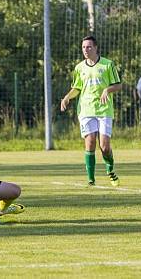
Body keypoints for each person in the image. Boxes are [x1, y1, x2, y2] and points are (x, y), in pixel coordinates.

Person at [60, 36, 122, 186]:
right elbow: (77, 88)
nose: (85, 50)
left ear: (95, 48)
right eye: (83, 47)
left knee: (105, 146)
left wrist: (107, 90)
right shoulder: (79, 68)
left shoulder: (108, 65)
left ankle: (110, 169)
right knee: (90, 142)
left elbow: (118, 85)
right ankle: (91, 179)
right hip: (86, 109)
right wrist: (67, 97)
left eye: (88, 47)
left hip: (104, 109)